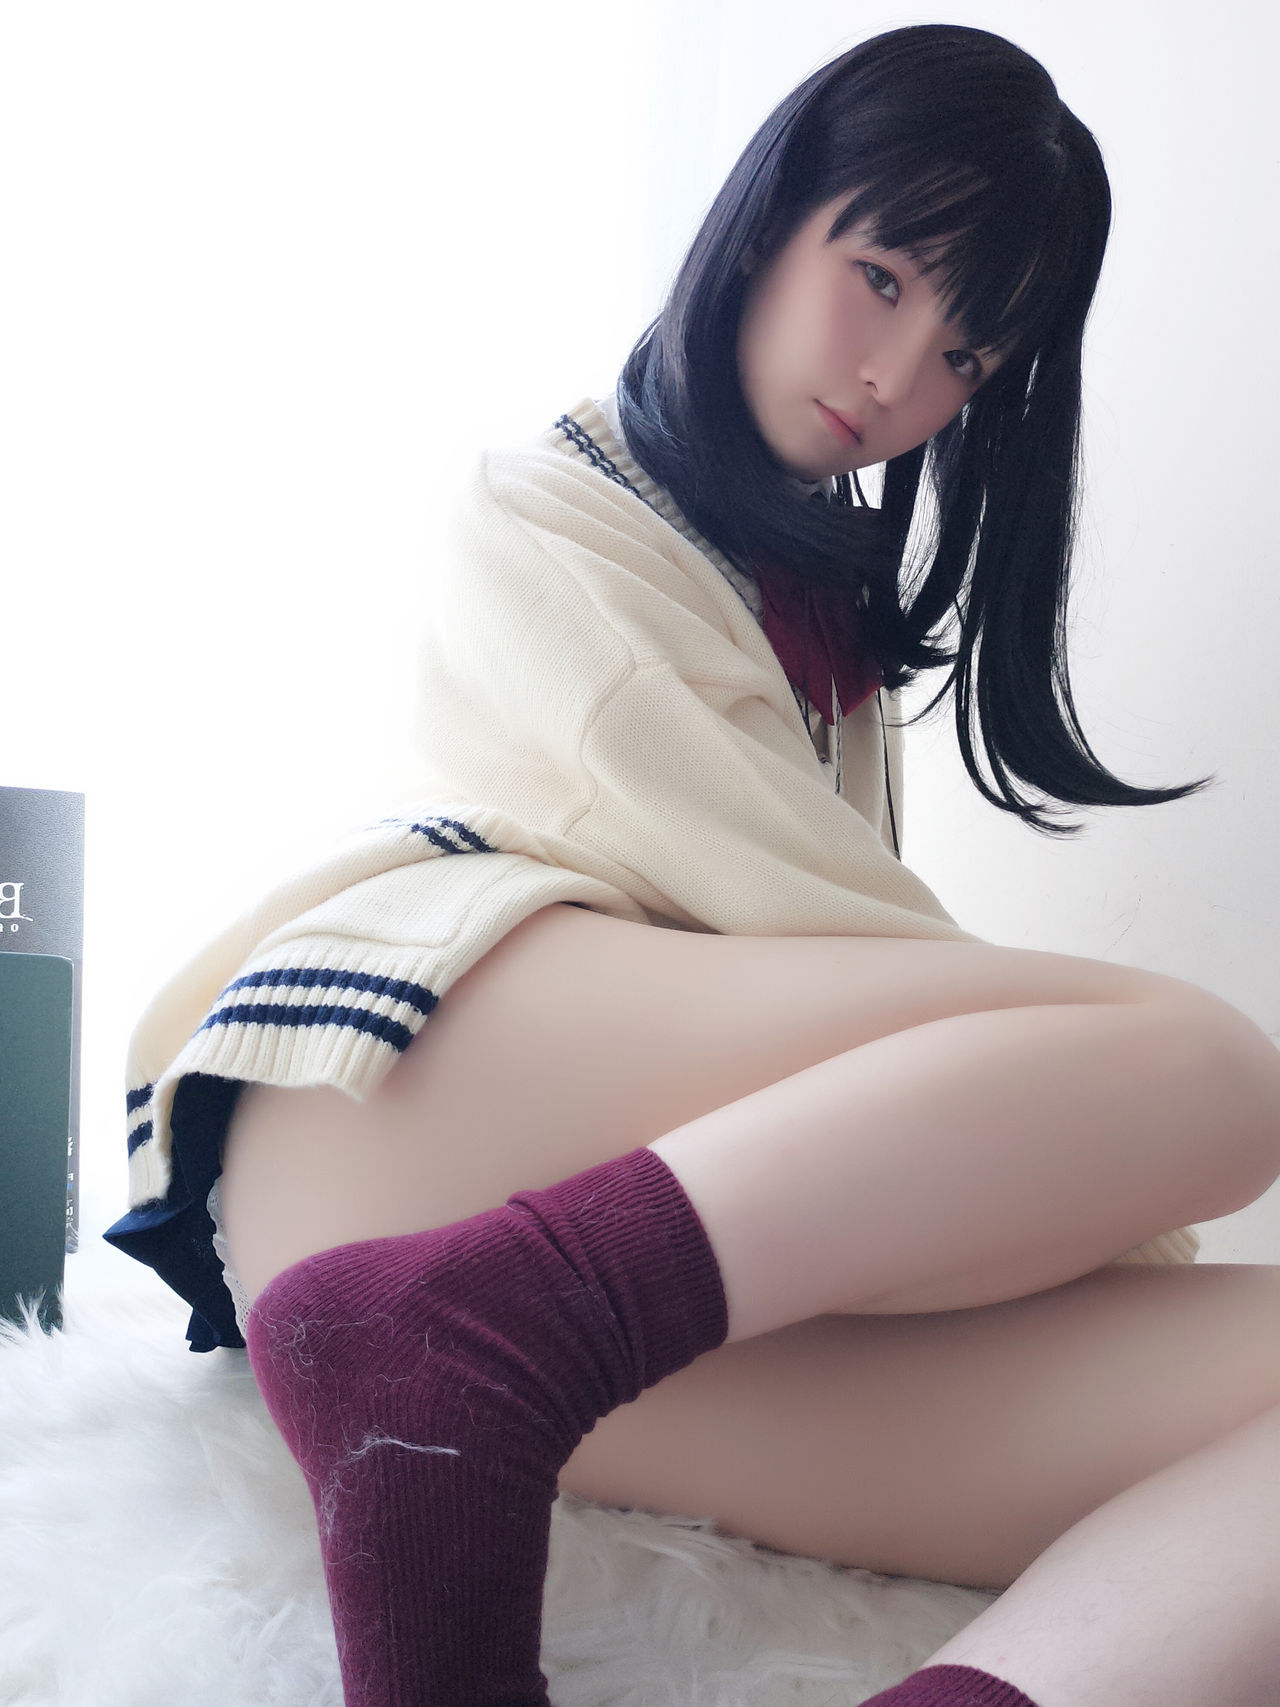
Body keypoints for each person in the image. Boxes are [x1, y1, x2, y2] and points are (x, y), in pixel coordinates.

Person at [104, 22, 1280, 1707]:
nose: (895, 378)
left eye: (963, 354)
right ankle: (459, 1339)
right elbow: (816, 930)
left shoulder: (817, 610)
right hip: (391, 1109)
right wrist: (1095, 1177)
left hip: (628, 1257)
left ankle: (479, 1357)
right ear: (770, 212)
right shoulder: (554, 508)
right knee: (1219, 1077)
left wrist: (1073, 1197)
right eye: (879, 277)